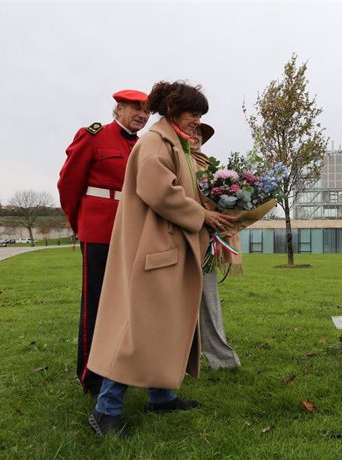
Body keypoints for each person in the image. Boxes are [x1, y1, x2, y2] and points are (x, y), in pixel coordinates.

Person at [86, 81, 235, 437]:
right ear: (172, 110)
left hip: (165, 249)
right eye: (193, 113)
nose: (197, 121)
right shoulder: (156, 143)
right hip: (151, 252)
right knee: (134, 333)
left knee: (163, 328)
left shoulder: (174, 144)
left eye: (200, 115)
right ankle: (104, 411)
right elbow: (160, 192)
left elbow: (183, 188)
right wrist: (203, 215)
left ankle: (161, 397)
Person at [57, 89, 149, 396]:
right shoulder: (94, 136)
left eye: (147, 111)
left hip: (132, 231)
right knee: (96, 304)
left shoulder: (144, 146)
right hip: (99, 232)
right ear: (118, 109)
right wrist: (78, 223)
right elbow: (69, 183)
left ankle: (121, 368)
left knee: (129, 304)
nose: (142, 115)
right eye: (135, 108)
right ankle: (91, 376)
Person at [190, 123, 241, 369]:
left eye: (199, 134)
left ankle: (221, 359)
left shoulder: (209, 165)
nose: (194, 136)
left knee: (208, 298)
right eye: (191, 131)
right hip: (180, 236)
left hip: (207, 238)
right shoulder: (175, 160)